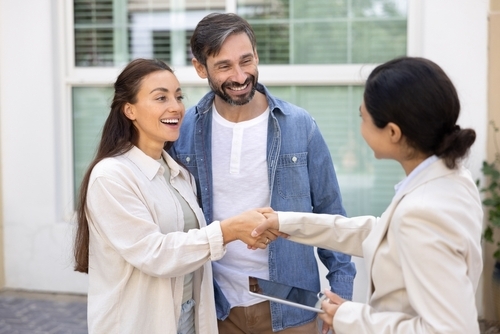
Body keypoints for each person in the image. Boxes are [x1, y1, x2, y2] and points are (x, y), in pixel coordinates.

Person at [251, 56, 483, 334]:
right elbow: (381, 234)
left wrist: (348, 316)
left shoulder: (422, 211)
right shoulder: (451, 180)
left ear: (393, 132)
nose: (360, 127)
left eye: (363, 117)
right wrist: (286, 223)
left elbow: (449, 330)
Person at [169, 12, 355, 333]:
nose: (240, 76)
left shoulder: (299, 125)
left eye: (247, 60)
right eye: (224, 66)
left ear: (257, 56)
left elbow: (330, 213)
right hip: (216, 307)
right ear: (201, 68)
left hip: (293, 308)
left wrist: (342, 295)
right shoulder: (184, 131)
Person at [72, 58, 279, 334]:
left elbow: (188, 249)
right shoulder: (111, 177)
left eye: (178, 96)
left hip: (189, 317)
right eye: (161, 97)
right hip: (139, 323)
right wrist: (228, 231)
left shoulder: (179, 174)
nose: (176, 107)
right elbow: (154, 254)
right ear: (129, 110)